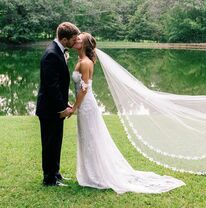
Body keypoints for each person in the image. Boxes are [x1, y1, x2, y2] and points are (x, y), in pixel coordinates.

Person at [70, 32, 185, 194]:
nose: (76, 40)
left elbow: (84, 89)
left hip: (87, 106)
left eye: (79, 39)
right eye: (76, 38)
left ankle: (95, 175)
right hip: (84, 105)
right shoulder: (80, 60)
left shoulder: (86, 63)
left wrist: (74, 107)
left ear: (85, 45)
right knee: (87, 137)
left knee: (91, 138)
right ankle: (91, 172)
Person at [36, 22, 80, 186]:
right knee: (49, 144)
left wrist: (65, 103)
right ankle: (49, 179)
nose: (75, 42)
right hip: (49, 110)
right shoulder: (51, 54)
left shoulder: (59, 52)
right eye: (73, 39)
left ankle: (55, 173)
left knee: (56, 142)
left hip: (55, 107)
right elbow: (51, 86)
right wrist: (62, 108)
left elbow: (58, 85)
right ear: (64, 38)